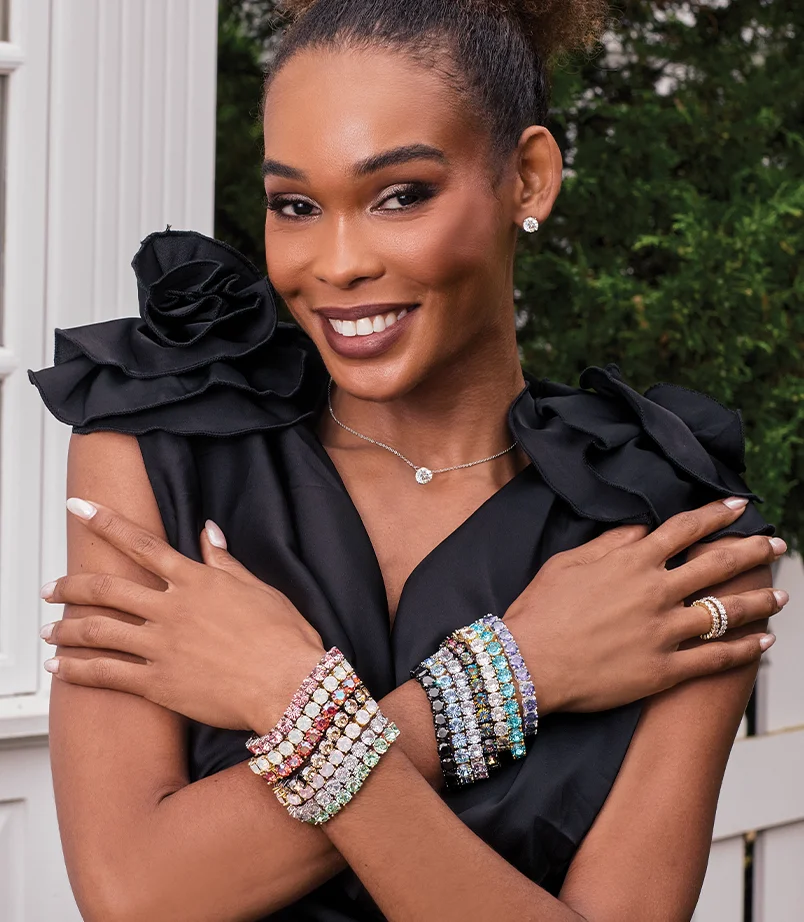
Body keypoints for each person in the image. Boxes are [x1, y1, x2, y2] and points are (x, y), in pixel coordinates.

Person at [28, 1, 786, 919]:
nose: (337, 263)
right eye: (296, 206)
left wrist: (286, 697)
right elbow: (135, 895)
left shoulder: (664, 537)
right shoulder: (158, 446)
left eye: (401, 195)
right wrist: (512, 676)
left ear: (529, 178)